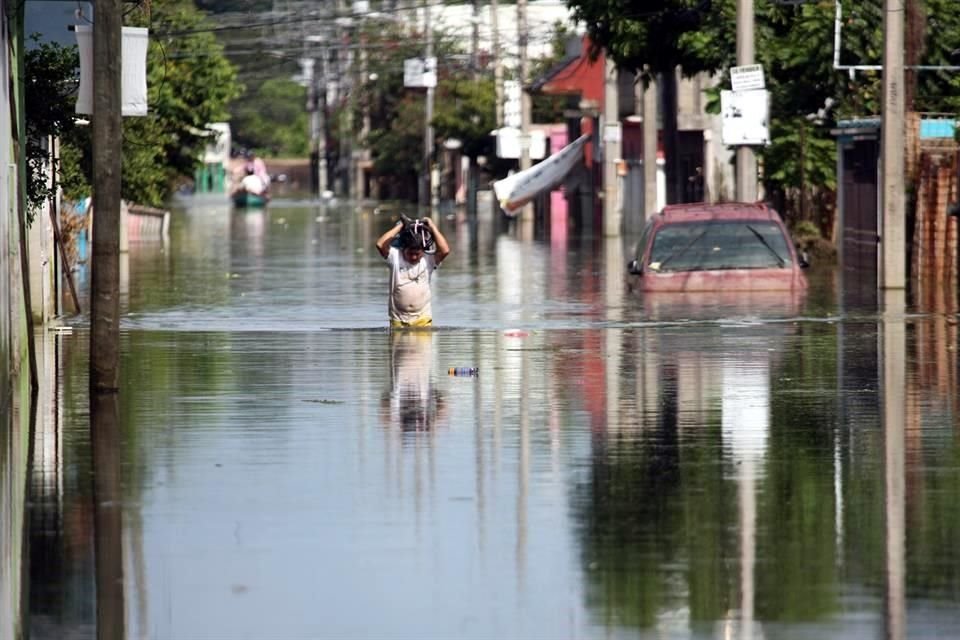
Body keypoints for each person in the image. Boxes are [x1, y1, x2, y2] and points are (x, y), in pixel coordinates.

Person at [375, 214, 450, 328]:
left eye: (417, 254)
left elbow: (445, 250)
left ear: (423, 252)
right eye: (410, 253)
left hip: (423, 319)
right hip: (398, 320)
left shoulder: (428, 259)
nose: (414, 257)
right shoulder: (395, 257)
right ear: (403, 249)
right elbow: (380, 244)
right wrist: (400, 226)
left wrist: (432, 227)